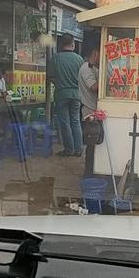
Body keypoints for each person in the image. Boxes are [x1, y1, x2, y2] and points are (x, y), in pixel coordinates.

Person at [50, 33, 84, 157]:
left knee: (65, 123)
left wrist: (60, 83)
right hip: (76, 94)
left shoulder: (55, 58)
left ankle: (69, 150)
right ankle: (79, 149)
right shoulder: (79, 59)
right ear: (73, 44)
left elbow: (51, 77)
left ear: (61, 44)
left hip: (61, 94)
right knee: (75, 121)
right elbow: (83, 78)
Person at [78, 42, 100, 175]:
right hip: (89, 111)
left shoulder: (96, 67)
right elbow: (94, 87)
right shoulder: (86, 68)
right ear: (95, 52)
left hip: (97, 110)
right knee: (91, 144)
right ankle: (88, 173)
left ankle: (93, 170)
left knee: (97, 143)